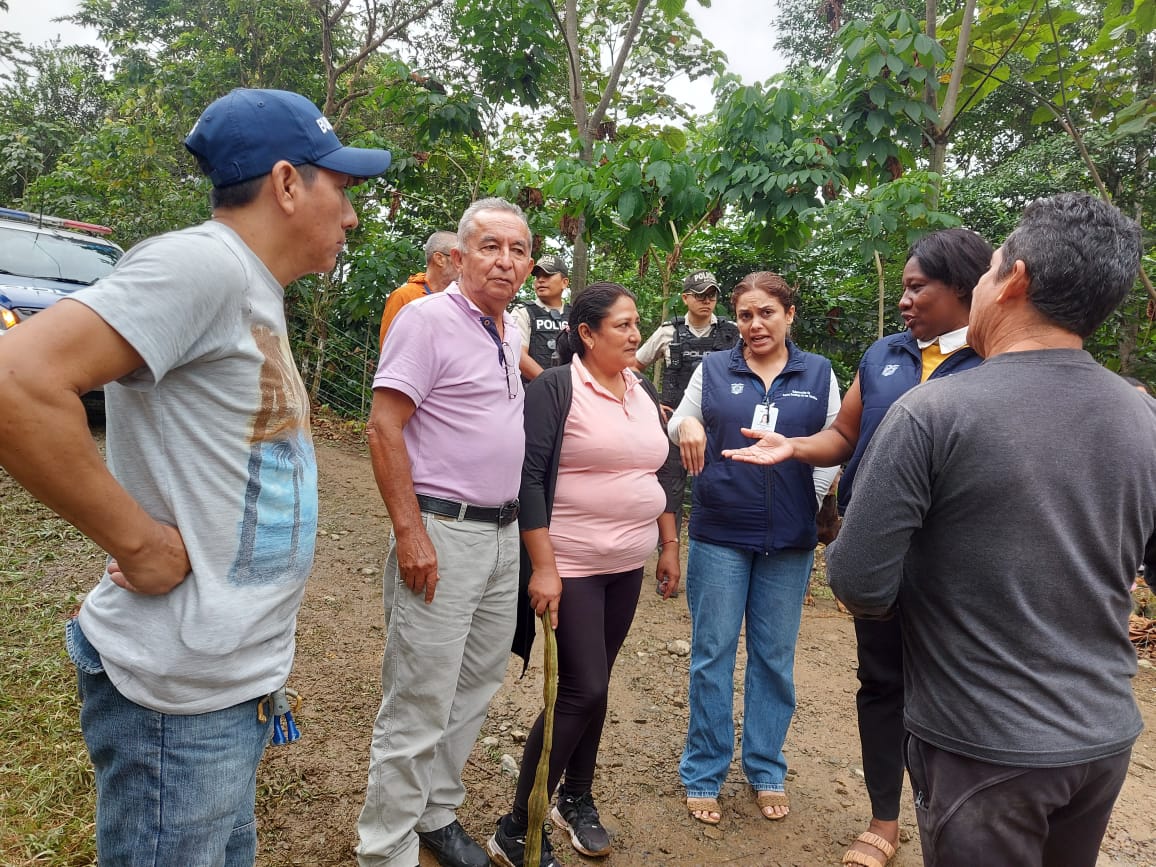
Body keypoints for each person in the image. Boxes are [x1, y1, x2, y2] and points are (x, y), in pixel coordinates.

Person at [0, 87, 391, 863]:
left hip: (222, 688)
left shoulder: (249, 286)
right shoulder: (203, 264)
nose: (350, 216)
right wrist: (137, 541)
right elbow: (17, 379)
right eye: (342, 189)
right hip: (176, 705)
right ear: (287, 183)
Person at [826, 193, 1155, 867]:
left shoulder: (932, 413)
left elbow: (857, 579)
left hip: (981, 746)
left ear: (1014, 282)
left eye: (990, 266)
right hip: (1101, 739)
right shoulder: (1142, 416)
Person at [723, 227, 992, 867]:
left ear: (963, 288)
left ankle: (956, 821)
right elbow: (845, 434)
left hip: (962, 560)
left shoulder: (997, 358)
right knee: (881, 683)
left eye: (917, 288)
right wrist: (793, 447)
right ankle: (883, 820)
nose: (904, 300)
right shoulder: (884, 356)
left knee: (959, 691)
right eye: (902, 287)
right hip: (883, 552)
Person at [357, 197, 534, 867]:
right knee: (420, 695)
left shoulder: (508, 331)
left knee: (476, 683)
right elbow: (384, 427)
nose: (506, 261)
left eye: (519, 250)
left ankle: (433, 812)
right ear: (458, 257)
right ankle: (385, 850)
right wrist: (410, 533)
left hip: (502, 535)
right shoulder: (426, 319)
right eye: (491, 246)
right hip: (443, 530)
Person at [487, 283, 681, 867]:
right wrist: (544, 568)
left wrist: (669, 544)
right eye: (622, 324)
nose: (635, 334)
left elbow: (661, 469)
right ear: (587, 333)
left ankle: (575, 798)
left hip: (626, 565)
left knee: (595, 687)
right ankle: (517, 827)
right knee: (583, 688)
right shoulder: (555, 387)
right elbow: (528, 479)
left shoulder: (641, 389)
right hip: (571, 564)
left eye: (636, 323)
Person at [667, 272, 840, 826]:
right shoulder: (715, 368)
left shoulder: (819, 373)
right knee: (712, 654)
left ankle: (766, 768)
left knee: (773, 659)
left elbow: (834, 441)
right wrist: (685, 427)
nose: (755, 324)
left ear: (790, 314)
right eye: (745, 315)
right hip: (720, 532)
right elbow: (681, 419)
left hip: (789, 541)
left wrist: (807, 502)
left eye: (767, 312)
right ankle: (704, 771)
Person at [635, 270, 741, 542]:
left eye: (712, 295)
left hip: (719, 425)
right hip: (674, 424)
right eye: (700, 295)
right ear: (685, 298)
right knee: (670, 492)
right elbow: (633, 366)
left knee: (721, 489)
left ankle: (717, 547)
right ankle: (668, 549)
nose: (707, 300)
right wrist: (651, 402)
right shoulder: (668, 332)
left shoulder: (733, 333)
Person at [378, 230, 459, 348]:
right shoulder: (404, 296)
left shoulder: (462, 299)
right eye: (459, 258)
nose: (465, 264)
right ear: (439, 259)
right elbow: (390, 350)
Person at [512, 253, 571, 381]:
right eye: (538, 276)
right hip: (533, 390)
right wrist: (551, 384)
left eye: (547, 275)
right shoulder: (523, 312)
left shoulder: (575, 314)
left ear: (564, 282)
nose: (540, 280)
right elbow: (518, 354)